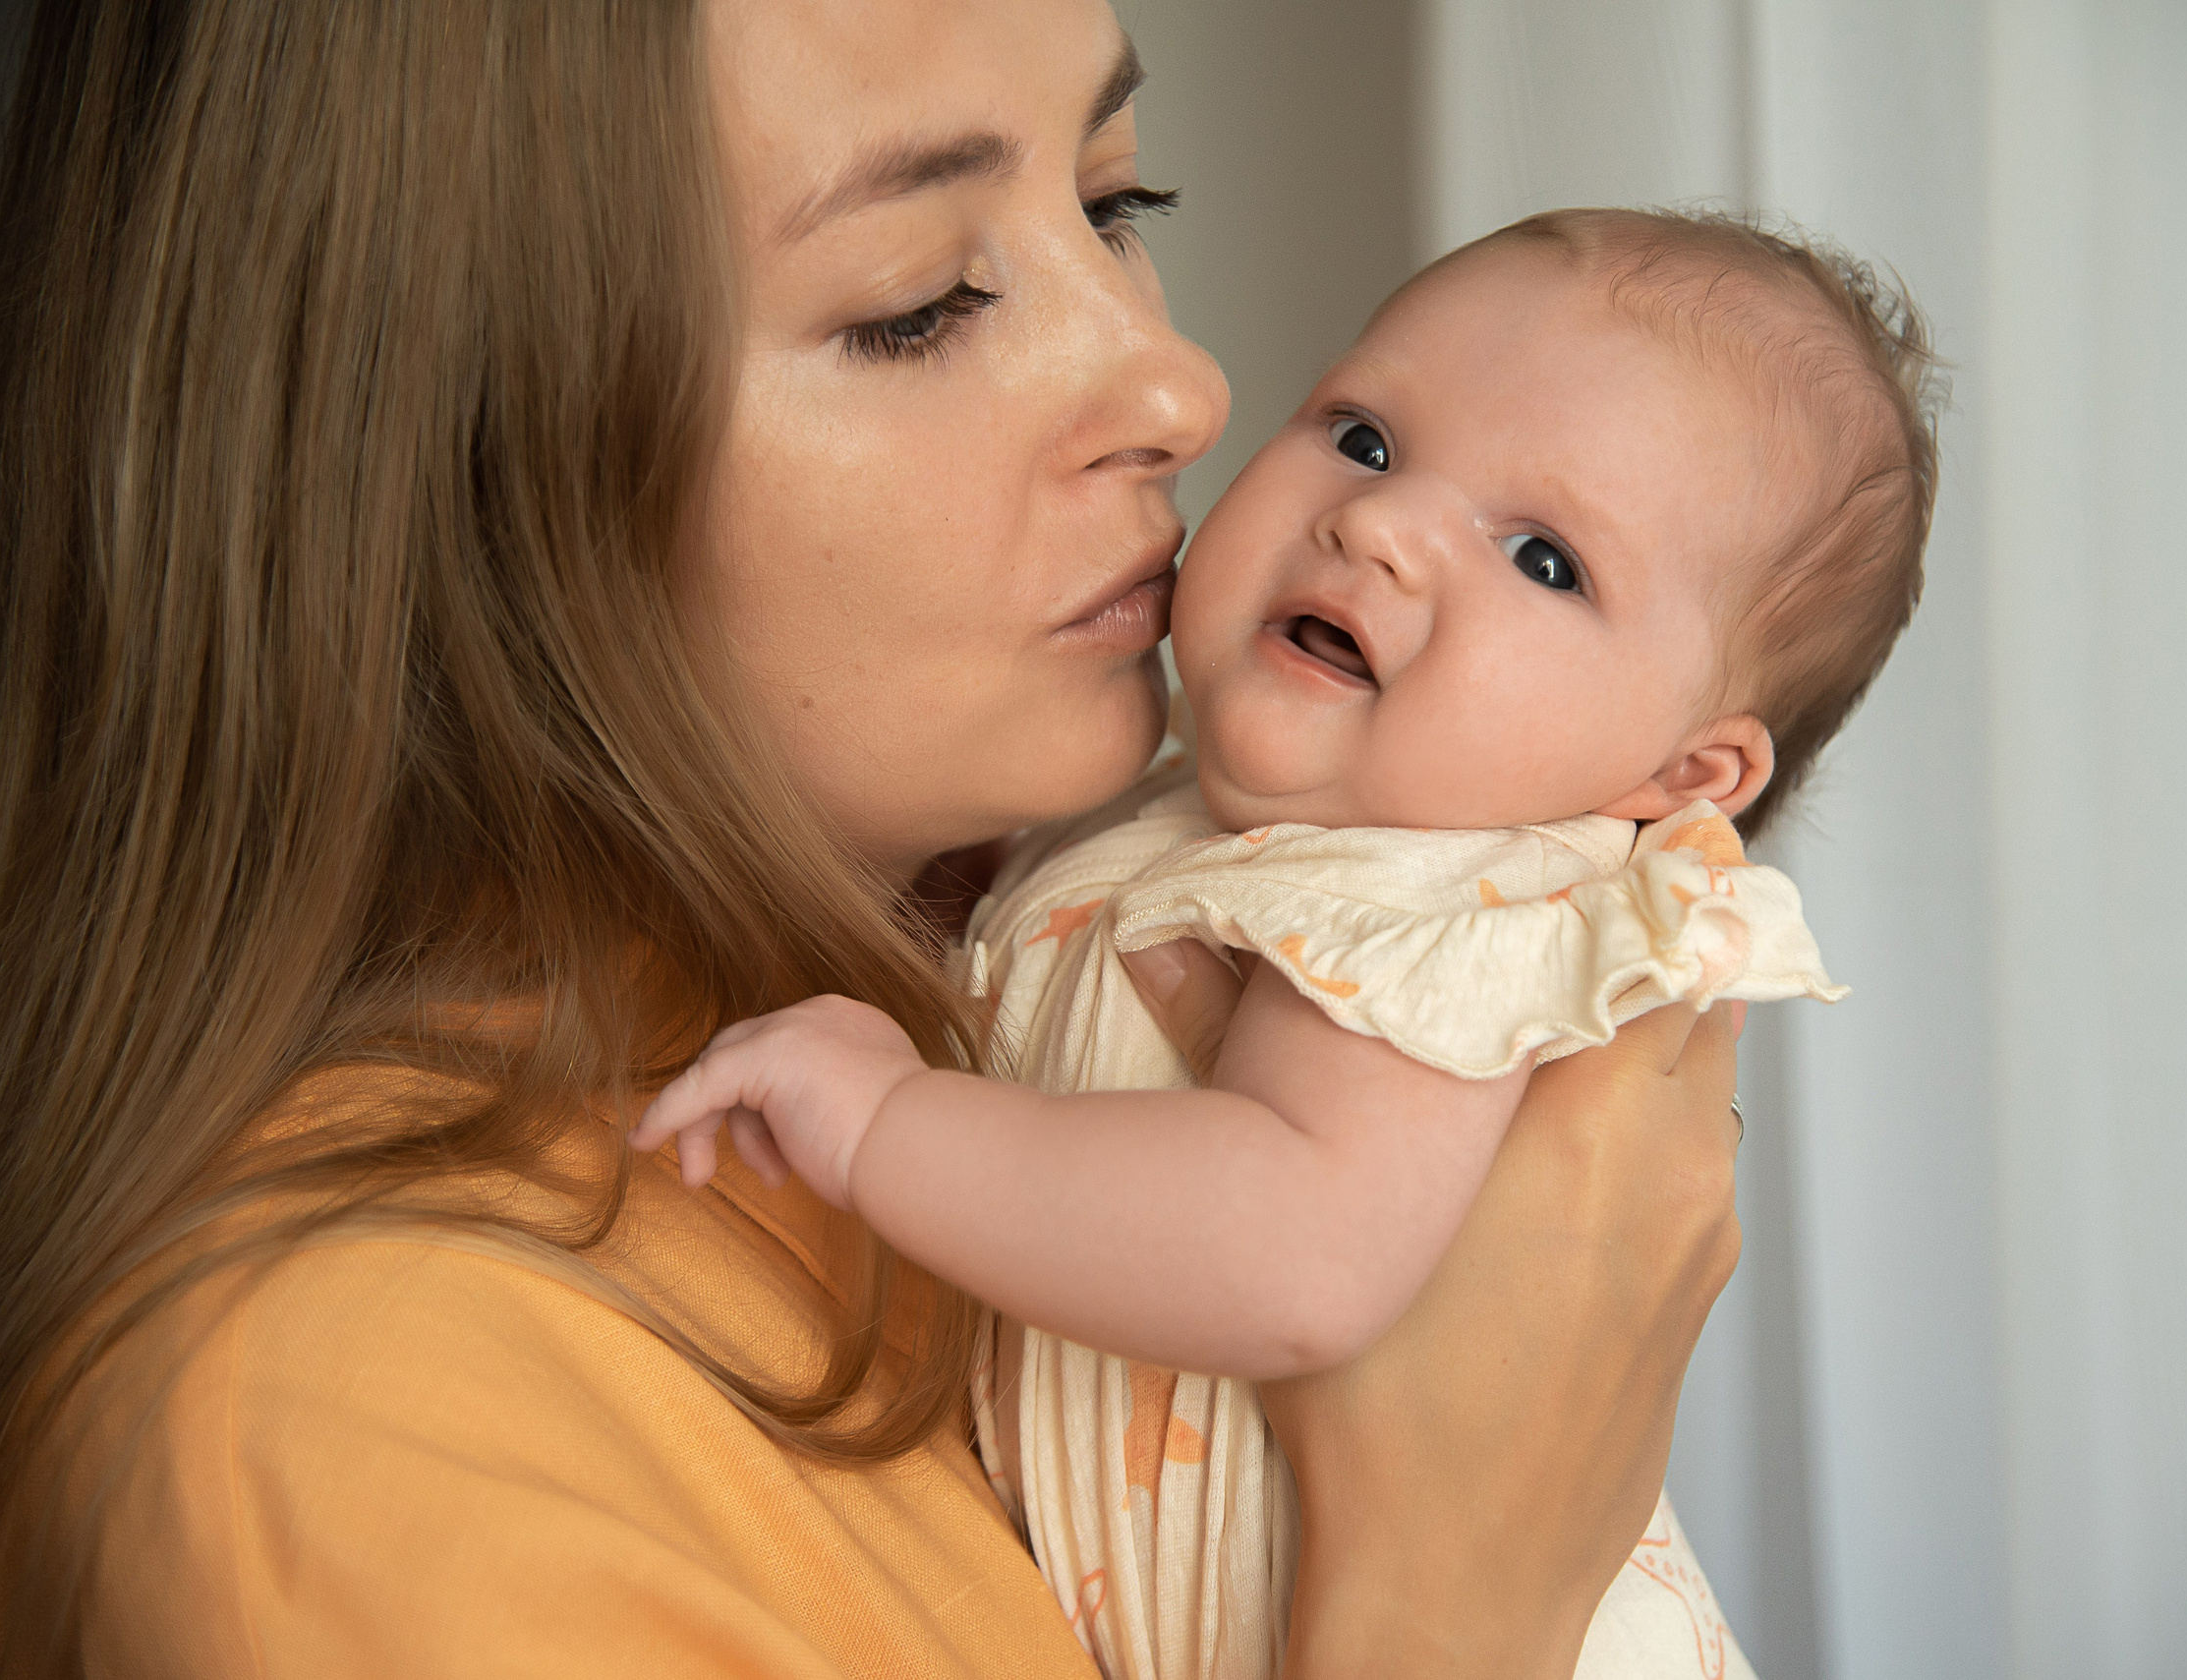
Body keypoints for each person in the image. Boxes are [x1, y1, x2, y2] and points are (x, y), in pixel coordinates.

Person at [0, 3, 1746, 1675]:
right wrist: (1443, 1603)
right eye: (922, 302)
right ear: (451, 457)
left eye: (1116, 204)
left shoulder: (1040, 986)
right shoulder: (343, 1436)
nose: (1184, 387)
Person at [628, 207, 1932, 1680]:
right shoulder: (1195, 824)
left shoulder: (1441, 902)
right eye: (1366, 440)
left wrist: (882, 1125)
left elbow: (1297, 1250)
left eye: (1543, 559)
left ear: (1682, 775)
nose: (1379, 525)